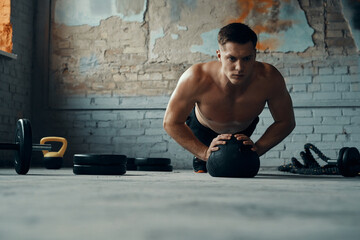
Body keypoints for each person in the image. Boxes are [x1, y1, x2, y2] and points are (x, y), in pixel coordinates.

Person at [163, 23, 296, 173]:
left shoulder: (269, 78)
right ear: (219, 56)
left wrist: (259, 148)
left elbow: (286, 121)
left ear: (255, 55)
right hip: (203, 130)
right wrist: (203, 152)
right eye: (232, 58)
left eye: (247, 59)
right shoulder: (196, 77)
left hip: (243, 131)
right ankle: (199, 159)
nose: (239, 67)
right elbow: (171, 122)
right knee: (204, 171)